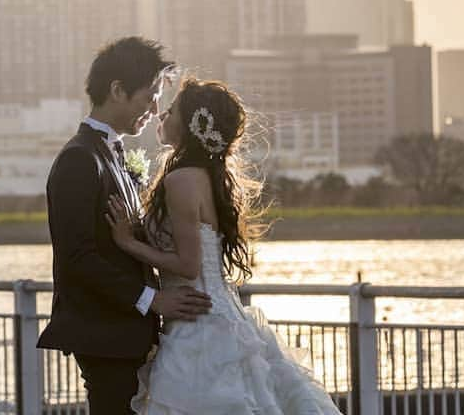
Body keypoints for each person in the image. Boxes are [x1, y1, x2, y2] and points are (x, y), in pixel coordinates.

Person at [106, 77, 343, 414]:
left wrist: (128, 242)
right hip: (211, 313)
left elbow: (188, 264)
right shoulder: (201, 174)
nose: (161, 116)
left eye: (170, 110)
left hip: (199, 324)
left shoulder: (182, 180)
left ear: (190, 125)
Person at [37, 37, 212, 414]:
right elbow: (77, 257)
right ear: (117, 90)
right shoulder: (79, 160)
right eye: (149, 96)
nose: (155, 109)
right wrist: (153, 299)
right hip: (105, 335)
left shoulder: (111, 154)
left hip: (128, 333)